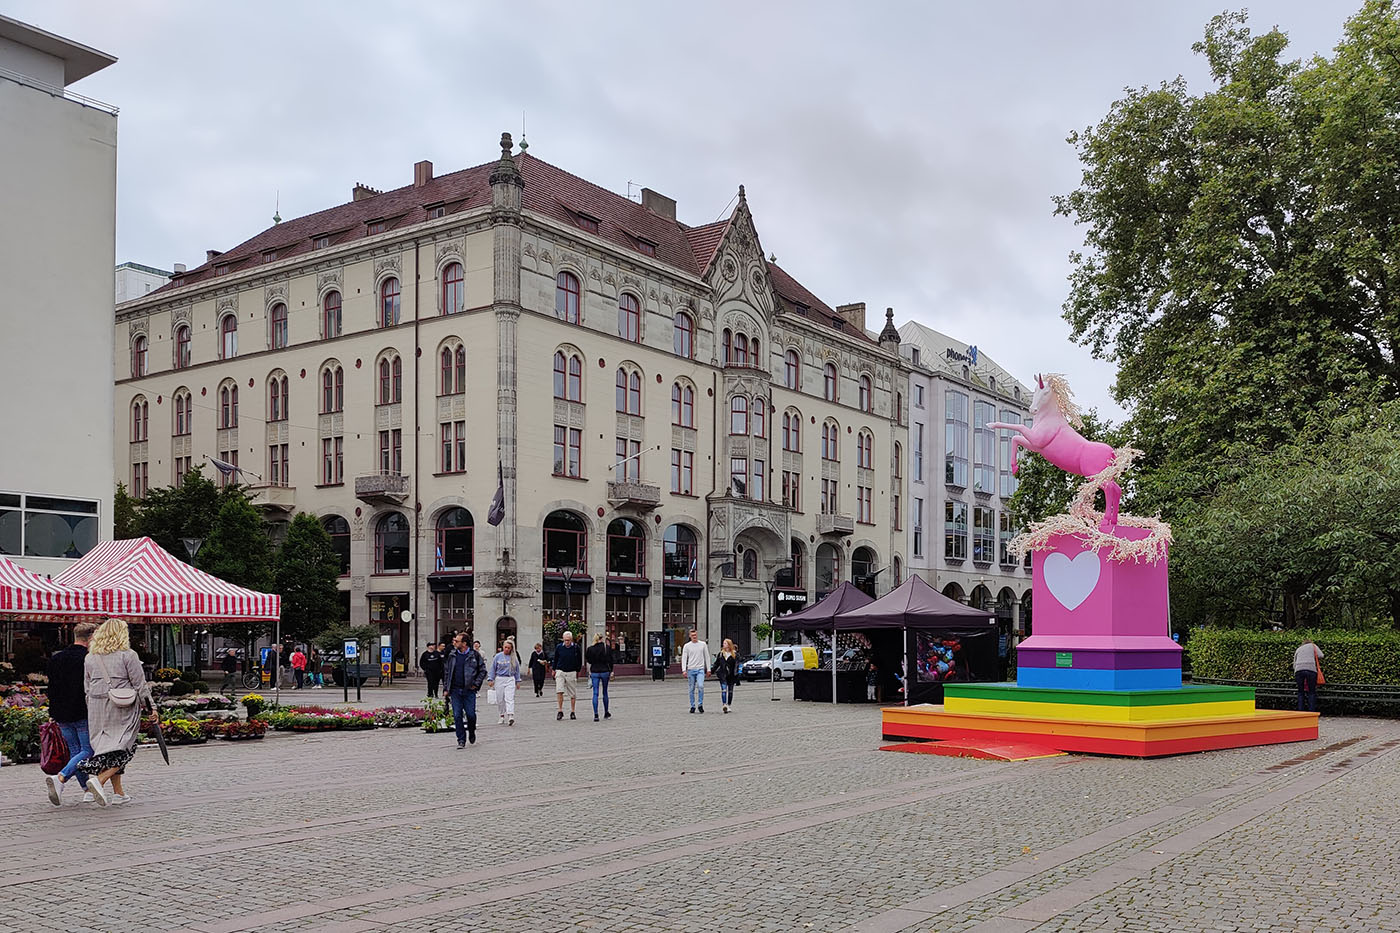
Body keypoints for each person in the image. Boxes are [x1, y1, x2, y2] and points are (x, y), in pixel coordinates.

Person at [80, 618, 153, 806]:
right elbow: (140, 685)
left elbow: (87, 687)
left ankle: (118, 794)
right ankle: (98, 781)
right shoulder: (128, 655)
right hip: (122, 707)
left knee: (106, 748)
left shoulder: (90, 657)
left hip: (96, 707)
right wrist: (151, 708)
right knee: (125, 745)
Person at [44, 621, 98, 806]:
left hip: (61, 712)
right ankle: (61, 777)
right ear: (91, 637)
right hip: (82, 710)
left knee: (76, 751)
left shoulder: (56, 658)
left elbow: (51, 687)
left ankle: (87, 791)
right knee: (87, 750)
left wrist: (52, 710)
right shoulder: (89, 658)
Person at [442, 634, 487, 747]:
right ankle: (461, 740)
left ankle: (471, 731)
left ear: (464, 643)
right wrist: (446, 689)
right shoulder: (452, 655)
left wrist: (476, 684)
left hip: (469, 690)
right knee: (457, 715)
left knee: (471, 715)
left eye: (457, 641)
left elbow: (482, 671)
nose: (454, 643)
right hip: (455, 690)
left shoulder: (474, 655)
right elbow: (447, 672)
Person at [487, 640, 522, 726]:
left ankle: (510, 715)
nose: (506, 649)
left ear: (511, 649)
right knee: (500, 699)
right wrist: (490, 679)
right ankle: (501, 715)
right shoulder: (498, 657)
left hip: (510, 678)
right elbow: (493, 668)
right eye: (505, 647)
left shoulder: (513, 658)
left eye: (508, 648)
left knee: (509, 697)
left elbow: (517, 670)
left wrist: (518, 681)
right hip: (500, 678)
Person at [553, 630, 582, 721]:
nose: (566, 642)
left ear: (571, 640)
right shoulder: (559, 647)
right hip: (560, 670)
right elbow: (556, 658)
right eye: (565, 640)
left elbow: (579, 659)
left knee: (572, 693)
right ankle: (560, 710)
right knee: (559, 690)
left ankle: (572, 711)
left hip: (571, 671)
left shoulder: (576, 648)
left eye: (568, 640)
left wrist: (578, 670)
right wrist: (554, 669)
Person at [585, 634, 613, 722]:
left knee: (595, 693)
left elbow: (588, 660)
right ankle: (606, 712)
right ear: (602, 639)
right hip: (605, 671)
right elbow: (611, 660)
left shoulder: (590, 649)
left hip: (594, 671)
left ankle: (596, 714)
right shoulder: (606, 648)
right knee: (605, 692)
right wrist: (611, 670)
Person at [681, 629, 710, 714]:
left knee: (700, 686)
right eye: (692, 635)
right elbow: (684, 658)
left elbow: (707, 657)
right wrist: (684, 670)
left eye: (695, 635)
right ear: (690, 636)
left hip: (700, 669)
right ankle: (692, 705)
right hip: (691, 669)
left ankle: (700, 704)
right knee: (691, 688)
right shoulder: (687, 646)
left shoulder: (703, 644)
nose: (694, 637)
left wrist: (708, 669)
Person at [1293, 637, 1324, 713]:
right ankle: (1311, 711)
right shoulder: (1313, 646)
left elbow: (1294, 662)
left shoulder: (1299, 649)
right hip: (1310, 669)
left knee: (1300, 692)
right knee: (1311, 691)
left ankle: (1300, 711)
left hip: (1298, 670)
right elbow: (1321, 655)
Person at [712, 638, 739, 713]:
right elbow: (716, 664)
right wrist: (711, 671)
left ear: (729, 645)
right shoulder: (721, 654)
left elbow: (737, 664)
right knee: (724, 689)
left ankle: (729, 705)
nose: (723, 644)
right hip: (723, 674)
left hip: (731, 675)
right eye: (723, 643)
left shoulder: (735, 654)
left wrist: (736, 673)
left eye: (725, 643)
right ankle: (724, 705)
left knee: (730, 691)